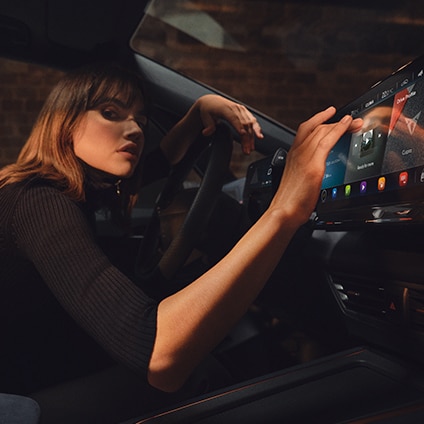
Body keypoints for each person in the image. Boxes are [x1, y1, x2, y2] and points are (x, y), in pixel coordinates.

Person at [0, 63, 362, 423]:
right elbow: (160, 356)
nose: (134, 130)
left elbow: (159, 162)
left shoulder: (73, 189)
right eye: (110, 113)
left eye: (140, 121)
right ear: (64, 125)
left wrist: (197, 112)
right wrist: (284, 210)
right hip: (21, 396)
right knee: (202, 374)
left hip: (39, 360)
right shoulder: (39, 200)